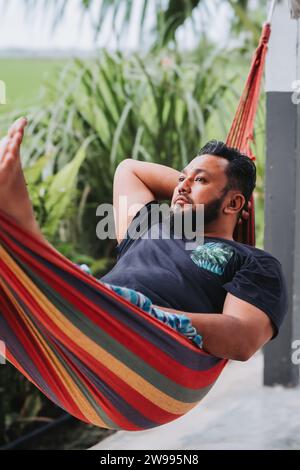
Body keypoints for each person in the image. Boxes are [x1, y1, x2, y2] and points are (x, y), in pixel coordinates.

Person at [0, 117, 288, 361]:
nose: (181, 186)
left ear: (235, 204)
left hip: (144, 342)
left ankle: (21, 229)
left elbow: (243, 338)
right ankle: (23, 242)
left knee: (62, 289)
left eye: (199, 180)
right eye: (180, 179)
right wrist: (193, 189)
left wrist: (146, 314)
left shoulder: (254, 262)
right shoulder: (149, 225)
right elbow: (130, 169)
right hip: (85, 317)